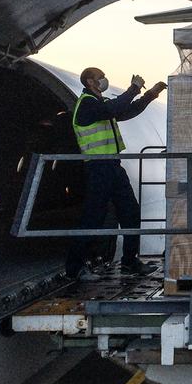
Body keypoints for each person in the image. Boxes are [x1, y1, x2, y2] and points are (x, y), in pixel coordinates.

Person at [66, 67, 167, 280]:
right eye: (100, 77)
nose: (104, 80)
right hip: (98, 168)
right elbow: (116, 107)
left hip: (113, 166)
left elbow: (127, 111)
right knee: (92, 218)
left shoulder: (100, 105)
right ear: (90, 82)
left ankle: (130, 261)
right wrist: (134, 88)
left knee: (131, 212)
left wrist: (150, 94)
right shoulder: (86, 104)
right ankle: (74, 268)